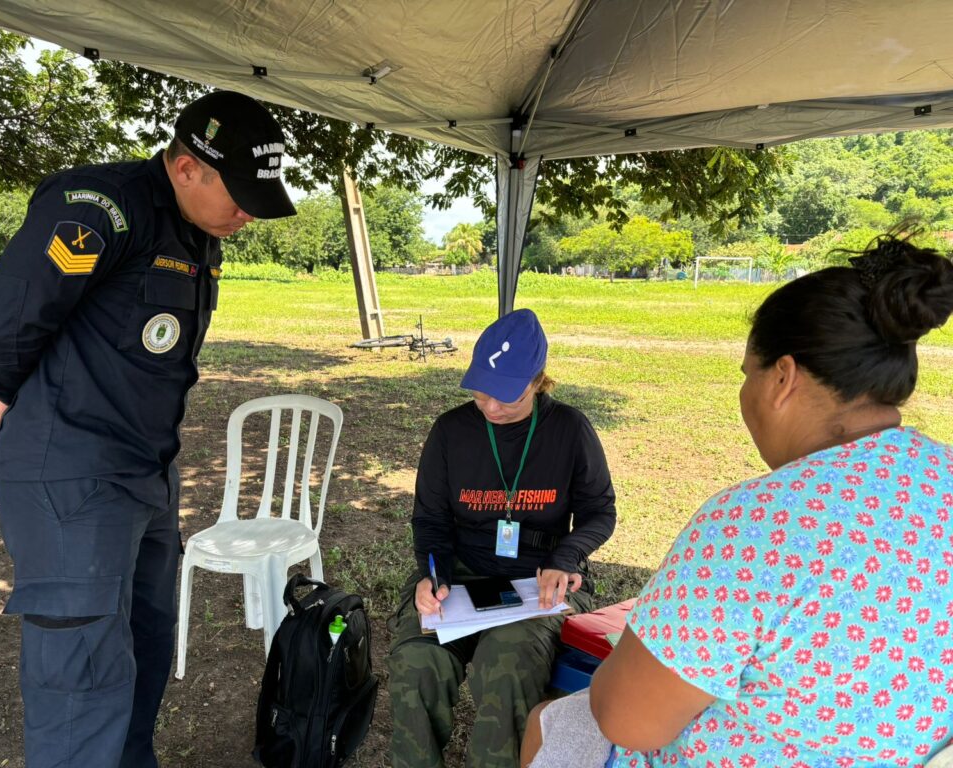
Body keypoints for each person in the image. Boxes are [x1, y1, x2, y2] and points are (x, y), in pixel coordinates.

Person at [522, 231, 953, 768]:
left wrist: (625, 658)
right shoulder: (943, 475)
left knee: (553, 722)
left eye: (747, 373)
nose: (745, 391)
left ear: (783, 378)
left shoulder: (757, 525)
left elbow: (627, 721)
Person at [0, 90, 295, 768]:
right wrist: (15, 394)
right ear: (187, 167)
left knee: (144, 647)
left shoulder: (197, 231)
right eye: (238, 192)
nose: (247, 213)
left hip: (147, 475)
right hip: (76, 479)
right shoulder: (103, 208)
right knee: (81, 680)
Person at [388, 308, 617, 768]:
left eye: (507, 398)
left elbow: (599, 512)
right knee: (417, 664)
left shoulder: (570, 430)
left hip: (539, 582)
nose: (491, 407)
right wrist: (432, 574)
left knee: (506, 666)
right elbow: (430, 520)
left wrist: (566, 557)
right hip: (462, 577)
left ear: (538, 381)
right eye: (481, 394)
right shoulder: (450, 432)